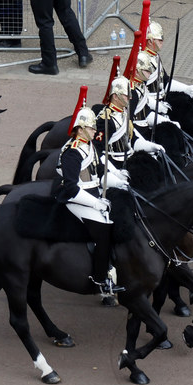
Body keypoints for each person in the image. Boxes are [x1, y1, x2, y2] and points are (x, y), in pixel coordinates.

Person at [51, 106, 120, 294]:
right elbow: (72, 187)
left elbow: (98, 174)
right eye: (90, 128)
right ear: (80, 129)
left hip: (93, 193)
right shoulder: (72, 152)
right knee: (103, 232)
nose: (94, 131)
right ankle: (100, 279)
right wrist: (95, 203)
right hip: (76, 199)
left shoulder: (88, 145)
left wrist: (120, 182)